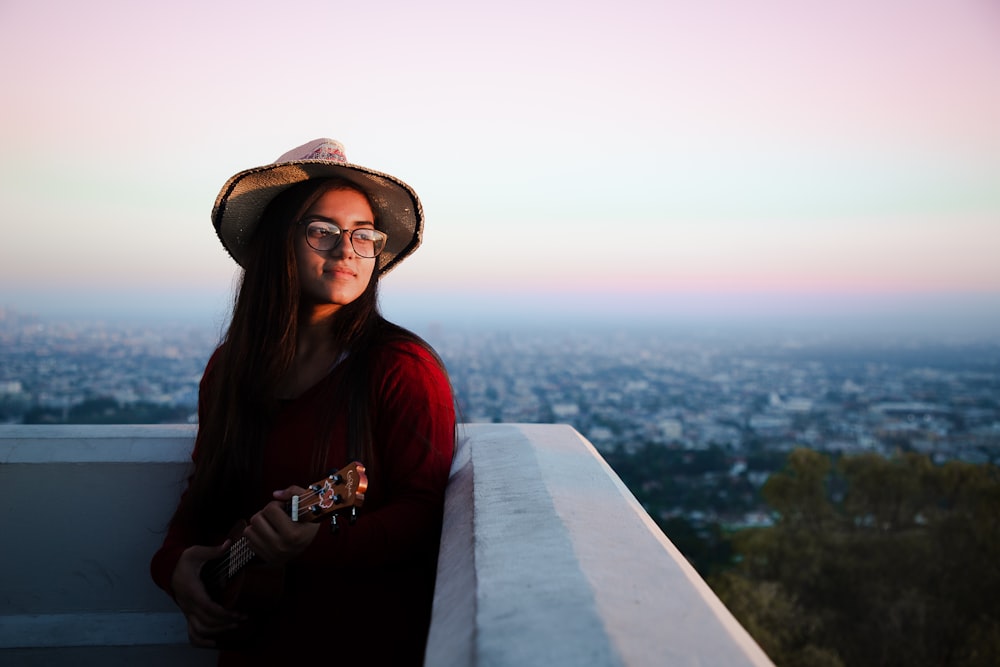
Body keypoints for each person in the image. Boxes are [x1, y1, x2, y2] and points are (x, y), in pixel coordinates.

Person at [150, 138, 456, 665]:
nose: (346, 250)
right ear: (277, 242)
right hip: (251, 643)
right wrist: (174, 566)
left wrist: (315, 547)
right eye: (323, 232)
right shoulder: (231, 368)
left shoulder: (401, 367)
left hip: (360, 642)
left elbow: (425, 513)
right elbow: (205, 495)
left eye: (364, 236)